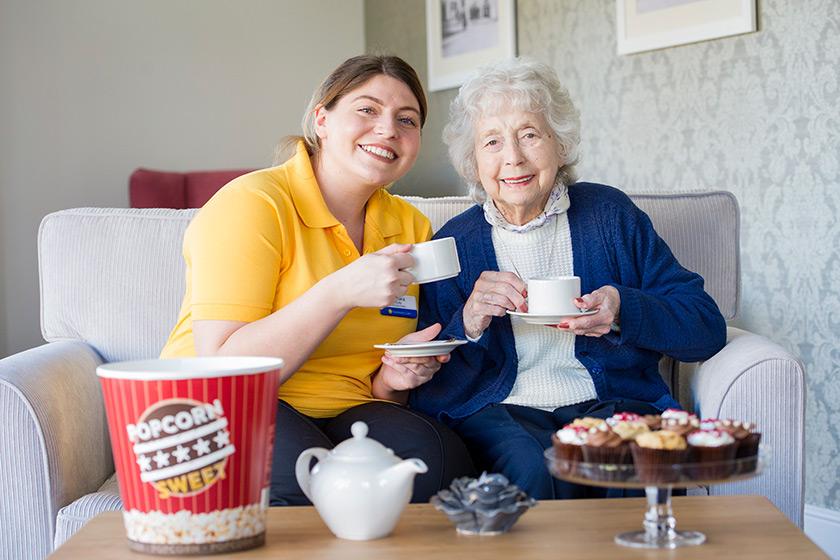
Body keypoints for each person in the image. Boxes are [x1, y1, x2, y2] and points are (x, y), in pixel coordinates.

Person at [160, 55, 474, 505]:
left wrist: (395, 377)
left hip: (346, 408)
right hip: (220, 402)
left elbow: (377, 379)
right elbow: (223, 369)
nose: (388, 129)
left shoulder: (410, 227)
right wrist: (340, 291)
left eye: (406, 120)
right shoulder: (253, 204)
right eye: (367, 110)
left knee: (439, 464)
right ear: (322, 121)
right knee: (302, 482)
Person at [411, 58, 727, 500]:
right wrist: (468, 322)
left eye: (529, 134)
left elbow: (705, 328)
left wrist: (622, 310)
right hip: (502, 412)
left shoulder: (611, 217)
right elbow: (427, 388)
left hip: (610, 405)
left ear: (559, 144)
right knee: (530, 468)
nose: (513, 158)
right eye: (492, 141)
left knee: (621, 462)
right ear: (473, 160)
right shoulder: (454, 245)